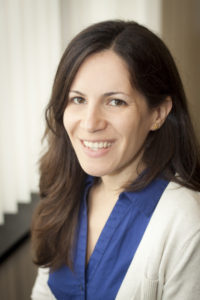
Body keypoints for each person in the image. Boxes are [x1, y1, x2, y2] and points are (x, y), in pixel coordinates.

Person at [31, 20, 200, 300]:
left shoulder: (187, 223)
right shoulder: (64, 190)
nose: (90, 123)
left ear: (157, 114)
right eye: (78, 99)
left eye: (115, 101)